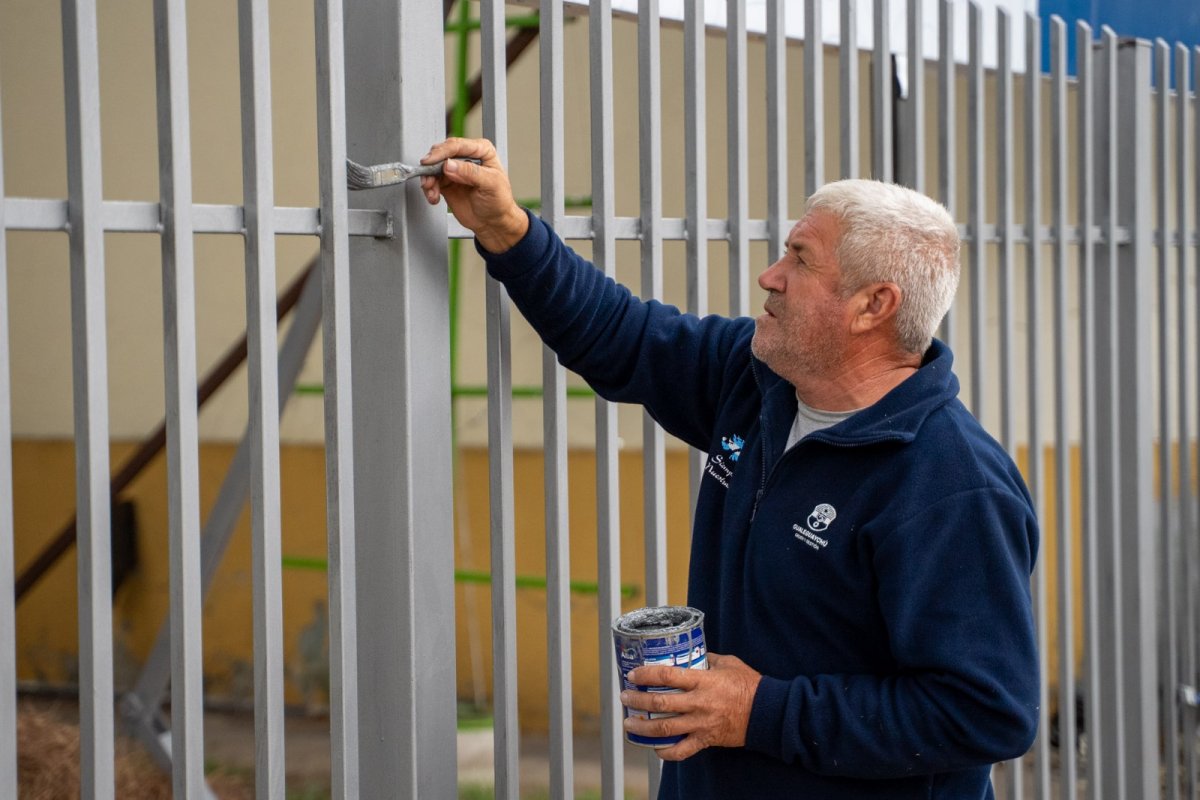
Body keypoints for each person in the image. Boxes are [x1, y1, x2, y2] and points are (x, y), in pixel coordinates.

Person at [421, 138, 1039, 799]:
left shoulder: (952, 486)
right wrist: (507, 230)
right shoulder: (758, 380)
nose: (770, 276)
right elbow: (622, 335)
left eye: (800, 259)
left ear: (873, 306)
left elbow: (986, 710)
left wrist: (757, 711)